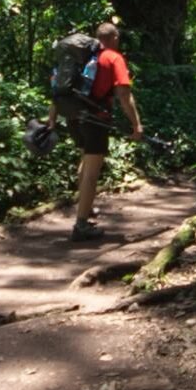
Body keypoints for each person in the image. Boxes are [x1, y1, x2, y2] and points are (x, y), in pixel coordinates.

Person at [47, 21, 142, 242]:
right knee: (92, 170)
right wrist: (136, 124)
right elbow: (124, 95)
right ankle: (81, 225)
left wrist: (51, 119)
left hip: (72, 116)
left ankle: (86, 208)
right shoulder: (113, 58)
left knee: (85, 161)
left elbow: (58, 90)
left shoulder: (79, 58)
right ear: (114, 38)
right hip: (95, 119)